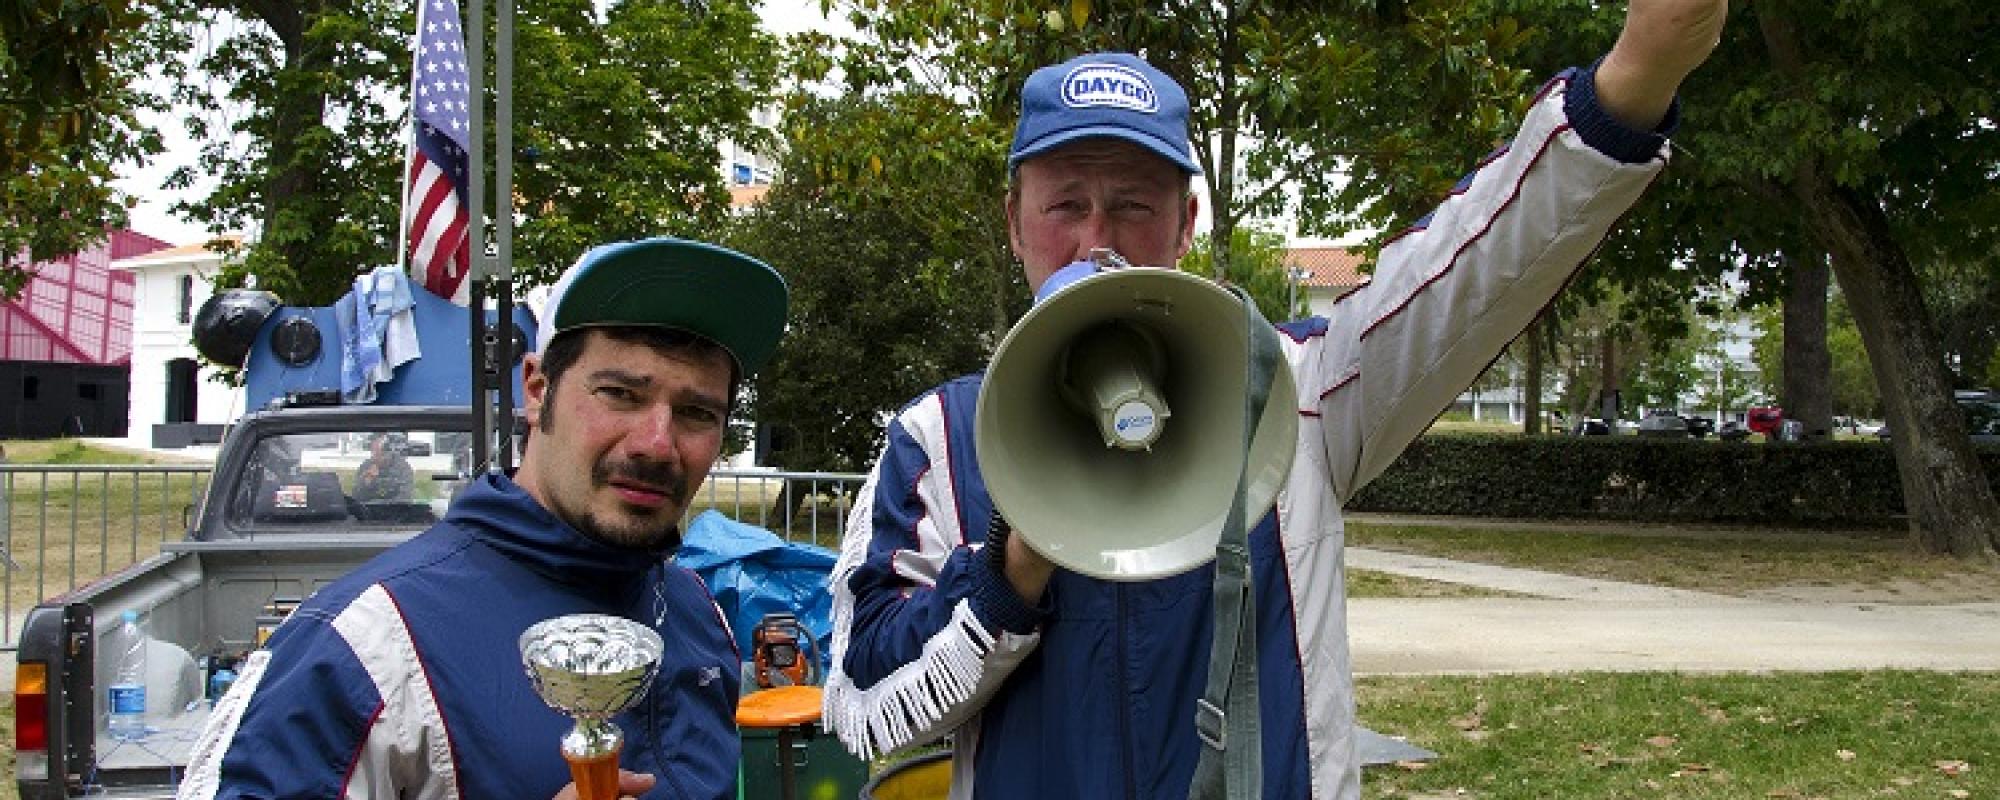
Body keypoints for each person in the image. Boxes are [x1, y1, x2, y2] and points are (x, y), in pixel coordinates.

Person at [822, 2, 1729, 798]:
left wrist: (1630, 81)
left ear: (1186, 223)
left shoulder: (1298, 390)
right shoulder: (939, 439)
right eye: (1066, 205)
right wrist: (1011, 573)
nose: (1097, 242)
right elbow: (867, 704)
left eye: (1134, 205)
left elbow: (1464, 270)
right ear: (1014, 219)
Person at [178, 237, 789, 800]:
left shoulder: (696, 611)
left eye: (697, 413)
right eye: (620, 394)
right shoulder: (366, 647)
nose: (657, 444)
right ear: (535, 388)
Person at [351, 432, 415, 502]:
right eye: (374, 452)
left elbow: (405, 499)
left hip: (394, 511)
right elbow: (355, 498)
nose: (376, 457)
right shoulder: (366, 466)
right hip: (368, 511)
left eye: (381, 453)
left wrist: (379, 504)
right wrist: (366, 482)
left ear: (390, 452)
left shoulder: (403, 468)